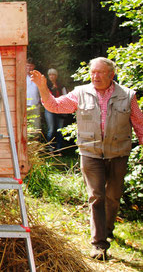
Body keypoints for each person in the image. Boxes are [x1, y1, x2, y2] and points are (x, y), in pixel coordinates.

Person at [30, 57, 143, 260]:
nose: (95, 76)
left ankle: (107, 229)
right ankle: (99, 244)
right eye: (93, 72)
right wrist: (42, 87)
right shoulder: (81, 93)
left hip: (118, 153)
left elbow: (139, 125)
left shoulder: (127, 95)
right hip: (90, 154)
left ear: (111, 75)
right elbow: (54, 106)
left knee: (113, 196)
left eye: (100, 72)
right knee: (97, 196)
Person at [44, 68, 68, 151]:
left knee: (60, 129)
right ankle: (50, 149)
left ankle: (59, 149)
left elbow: (66, 97)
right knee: (51, 129)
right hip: (49, 109)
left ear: (56, 76)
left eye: (53, 74)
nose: (52, 76)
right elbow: (45, 97)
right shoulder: (46, 85)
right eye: (50, 75)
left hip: (60, 109)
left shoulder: (61, 85)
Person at [26, 58, 41, 130]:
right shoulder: (21, 77)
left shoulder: (37, 77)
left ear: (34, 67)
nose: (29, 68)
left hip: (35, 106)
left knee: (36, 126)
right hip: (24, 106)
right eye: (27, 66)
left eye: (31, 66)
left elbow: (41, 91)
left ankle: (36, 140)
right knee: (25, 126)